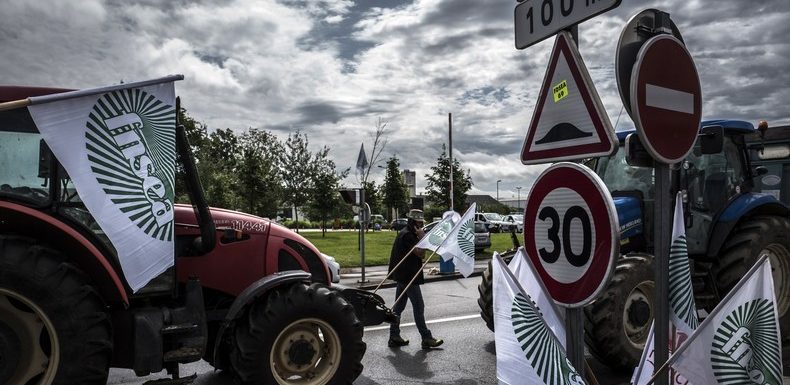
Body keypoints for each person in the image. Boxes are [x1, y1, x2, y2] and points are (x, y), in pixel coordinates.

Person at [387, 209, 444, 349]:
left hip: (403, 275)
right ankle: (426, 338)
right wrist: (423, 238)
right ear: (414, 223)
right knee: (419, 306)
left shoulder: (405, 233)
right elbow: (420, 253)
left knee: (398, 308)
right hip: (408, 277)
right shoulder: (408, 236)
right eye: (419, 223)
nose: (421, 226)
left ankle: (394, 336)